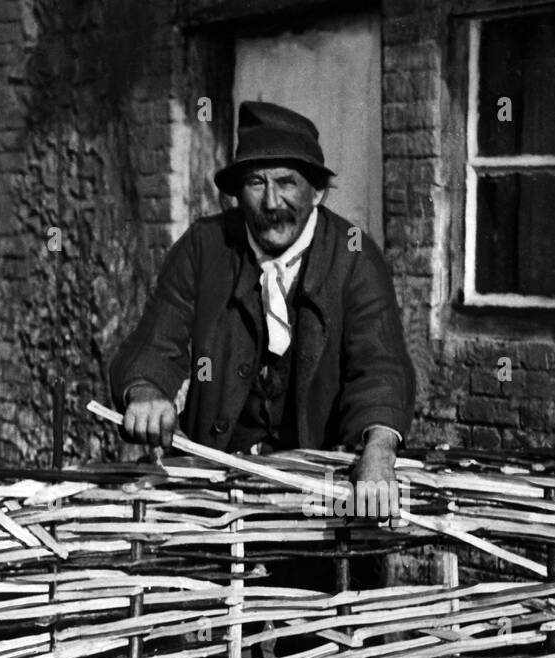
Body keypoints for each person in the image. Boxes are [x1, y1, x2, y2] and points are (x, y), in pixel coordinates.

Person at [107, 101, 416, 522]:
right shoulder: (206, 245)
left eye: (287, 182)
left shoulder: (354, 254)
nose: (272, 202)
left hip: (320, 494)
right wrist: (146, 392)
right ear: (236, 192)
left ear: (317, 190)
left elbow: (379, 365)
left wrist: (379, 449)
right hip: (219, 496)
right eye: (256, 183)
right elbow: (157, 339)